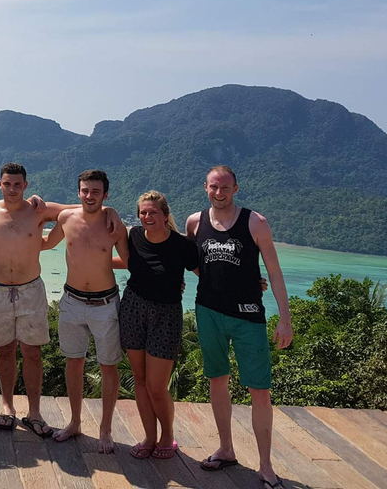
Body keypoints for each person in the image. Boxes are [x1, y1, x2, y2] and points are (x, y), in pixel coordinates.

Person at [186, 165, 292, 489]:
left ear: (235, 188)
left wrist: (285, 319)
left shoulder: (255, 222)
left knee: (259, 390)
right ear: (205, 187)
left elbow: (274, 272)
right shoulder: (195, 222)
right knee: (217, 381)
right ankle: (226, 448)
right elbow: (192, 261)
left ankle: (265, 465)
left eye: (225, 188)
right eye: (214, 187)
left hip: (248, 316)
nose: (219, 193)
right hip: (208, 312)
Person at [0, 162, 78, 437]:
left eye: (17, 184)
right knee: (5, 350)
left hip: (31, 290)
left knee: (32, 352)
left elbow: (76, 209)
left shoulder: (38, 209)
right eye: (7, 183)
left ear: (25, 185)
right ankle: (7, 406)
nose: (12, 189)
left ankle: (34, 412)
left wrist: (110, 211)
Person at [41, 170, 127, 449]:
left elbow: (130, 261)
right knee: (73, 363)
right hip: (72, 301)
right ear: (78, 192)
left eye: (96, 192)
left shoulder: (115, 224)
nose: (90, 196)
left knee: (108, 366)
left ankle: (105, 430)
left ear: (106, 195)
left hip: (105, 304)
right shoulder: (66, 218)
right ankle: (75, 422)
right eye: (85, 191)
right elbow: (45, 243)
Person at [119, 190, 198, 459]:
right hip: (133, 307)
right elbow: (129, 262)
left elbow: (209, 274)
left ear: (165, 215)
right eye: (143, 212)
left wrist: (248, 283)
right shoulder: (135, 236)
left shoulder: (183, 245)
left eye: (153, 212)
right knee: (139, 380)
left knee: (156, 385)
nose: (147, 216)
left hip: (166, 314)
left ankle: (167, 435)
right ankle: (149, 437)